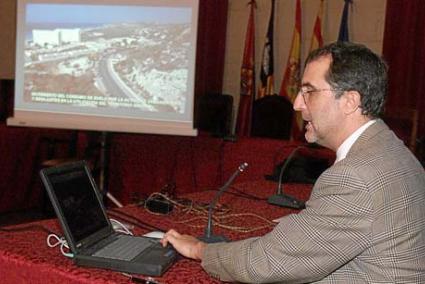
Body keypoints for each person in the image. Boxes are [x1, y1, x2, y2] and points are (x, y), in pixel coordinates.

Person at [161, 42, 425, 283]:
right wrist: (308, 225)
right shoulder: (392, 149)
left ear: (350, 101)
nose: (297, 104)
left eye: (309, 92)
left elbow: (266, 262)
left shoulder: (354, 176)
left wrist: (199, 249)